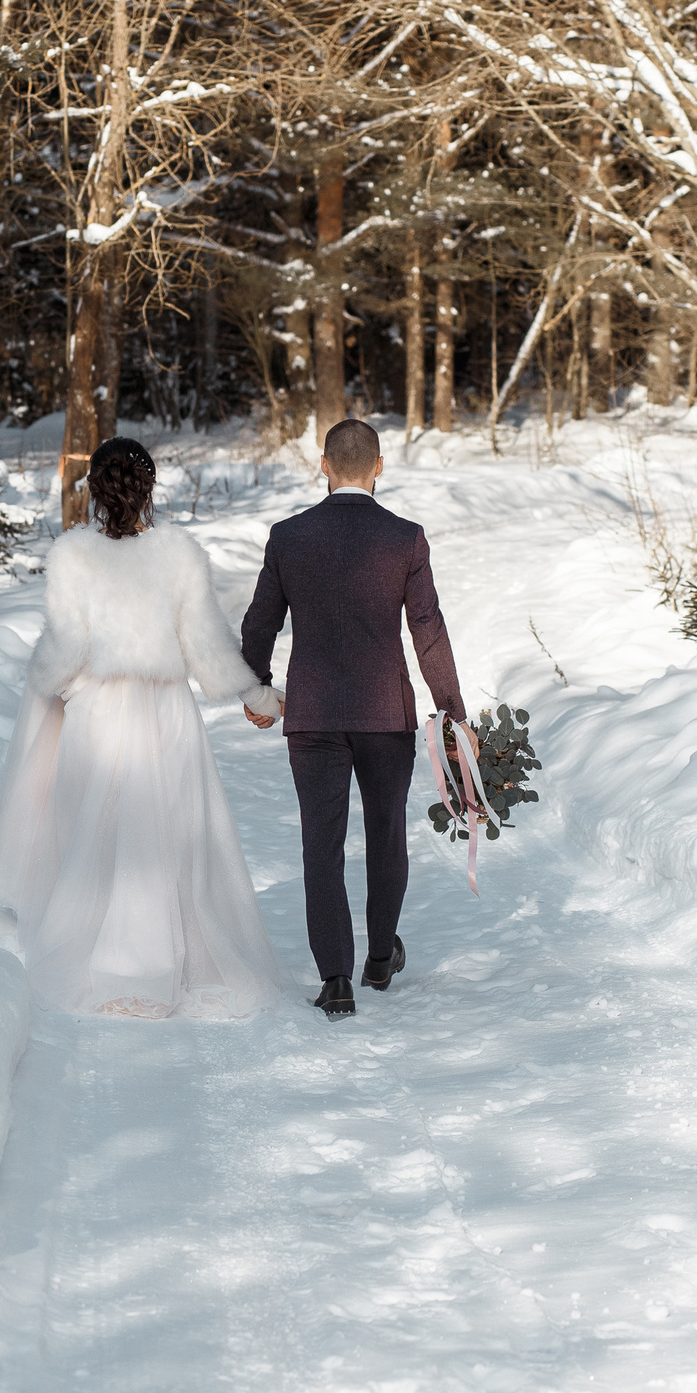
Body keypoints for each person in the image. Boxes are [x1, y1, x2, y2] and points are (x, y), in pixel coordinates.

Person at [0, 438, 285, 1019]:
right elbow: (206, 645)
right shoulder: (178, 554)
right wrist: (258, 696)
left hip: (98, 714)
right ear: (149, 488)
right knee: (167, 836)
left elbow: (65, 645)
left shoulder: (72, 554)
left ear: (93, 489)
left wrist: (43, 680)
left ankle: (102, 954)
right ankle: (173, 958)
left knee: (98, 832)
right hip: (166, 711)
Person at [240, 418, 470, 1019]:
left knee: (322, 843)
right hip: (383, 713)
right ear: (379, 467)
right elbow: (428, 631)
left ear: (323, 465)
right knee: (386, 832)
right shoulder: (405, 539)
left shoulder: (288, 537)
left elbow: (260, 622)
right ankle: (379, 955)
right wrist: (453, 713)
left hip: (313, 713)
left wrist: (256, 688)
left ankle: (335, 977)